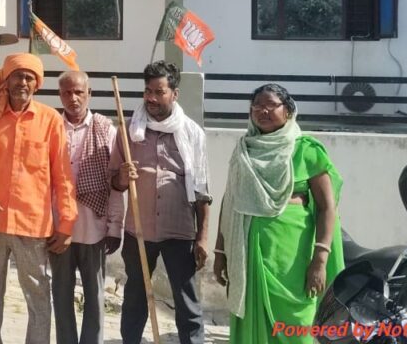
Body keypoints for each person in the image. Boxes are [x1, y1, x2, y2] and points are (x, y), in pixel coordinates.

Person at [213, 84, 344, 343]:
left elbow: (327, 207)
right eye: (257, 106)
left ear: (288, 111)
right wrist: (220, 251)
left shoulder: (306, 149)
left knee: (297, 323)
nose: (263, 111)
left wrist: (320, 260)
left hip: (291, 258)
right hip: (246, 251)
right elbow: (230, 202)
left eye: (271, 105)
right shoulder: (244, 150)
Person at [0, 52, 77, 344]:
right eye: (17, 76)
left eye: (29, 77)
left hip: (33, 225)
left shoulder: (50, 120)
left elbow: (63, 176)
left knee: (38, 296)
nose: (23, 83)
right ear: (6, 79)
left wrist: (67, 222)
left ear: (37, 83)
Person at [112, 60, 210, 344]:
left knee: (186, 300)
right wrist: (121, 176)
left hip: (179, 231)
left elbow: (202, 190)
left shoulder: (192, 133)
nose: (152, 98)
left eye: (159, 92)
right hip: (138, 231)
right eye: (148, 91)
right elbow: (115, 183)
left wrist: (202, 238)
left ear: (174, 94)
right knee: (135, 296)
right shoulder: (129, 130)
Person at [52, 71, 125, 344]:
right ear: (60, 95)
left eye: (79, 92)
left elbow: (115, 183)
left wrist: (115, 227)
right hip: (58, 228)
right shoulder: (51, 127)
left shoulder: (106, 129)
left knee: (94, 295)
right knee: (61, 294)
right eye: (67, 93)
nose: (73, 98)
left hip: (94, 227)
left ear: (89, 93)